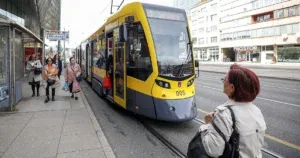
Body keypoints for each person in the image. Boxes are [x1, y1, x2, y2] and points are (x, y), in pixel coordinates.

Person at [198, 64, 266, 158]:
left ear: (232, 88)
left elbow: (213, 150)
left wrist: (208, 125)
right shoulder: (256, 110)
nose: (223, 82)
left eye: (224, 80)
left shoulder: (225, 114)